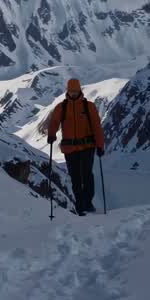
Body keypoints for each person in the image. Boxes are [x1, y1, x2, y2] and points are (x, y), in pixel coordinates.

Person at [45, 79, 105, 215]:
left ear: (79, 90)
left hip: (87, 147)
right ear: (68, 91)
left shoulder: (88, 106)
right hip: (69, 149)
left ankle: (87, 203)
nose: (73, 93)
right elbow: (54, 122)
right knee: (76, 178)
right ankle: (80, 205)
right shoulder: (62, 107)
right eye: (71, 91)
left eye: (75, 91)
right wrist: (51, 134)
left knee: (87, 175)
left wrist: (100, 145)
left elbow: (97, 127)